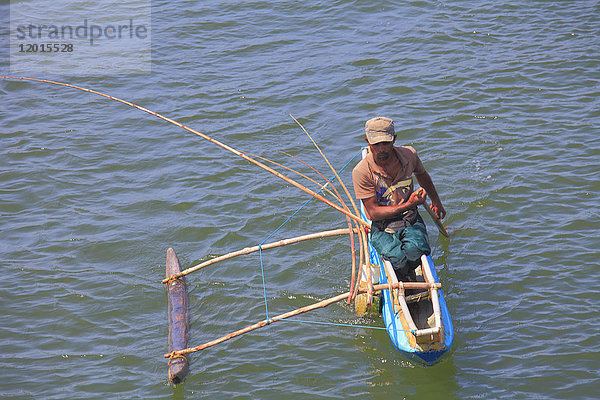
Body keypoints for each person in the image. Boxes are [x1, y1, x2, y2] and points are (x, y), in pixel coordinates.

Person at [352, 117, 446, 280]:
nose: (381, 149)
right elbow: (373, 213)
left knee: (416, 252)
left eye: (386, 143)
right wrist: (409, 203)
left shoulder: (409, 155)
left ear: (394, 139)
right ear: (368, 142)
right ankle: (404, 279)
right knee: (398, 260)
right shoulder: (362, 172)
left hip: (410, 219)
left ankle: (407, 276)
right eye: (376, 145)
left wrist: (436, 201)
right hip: (382, 227)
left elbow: (422, 175)